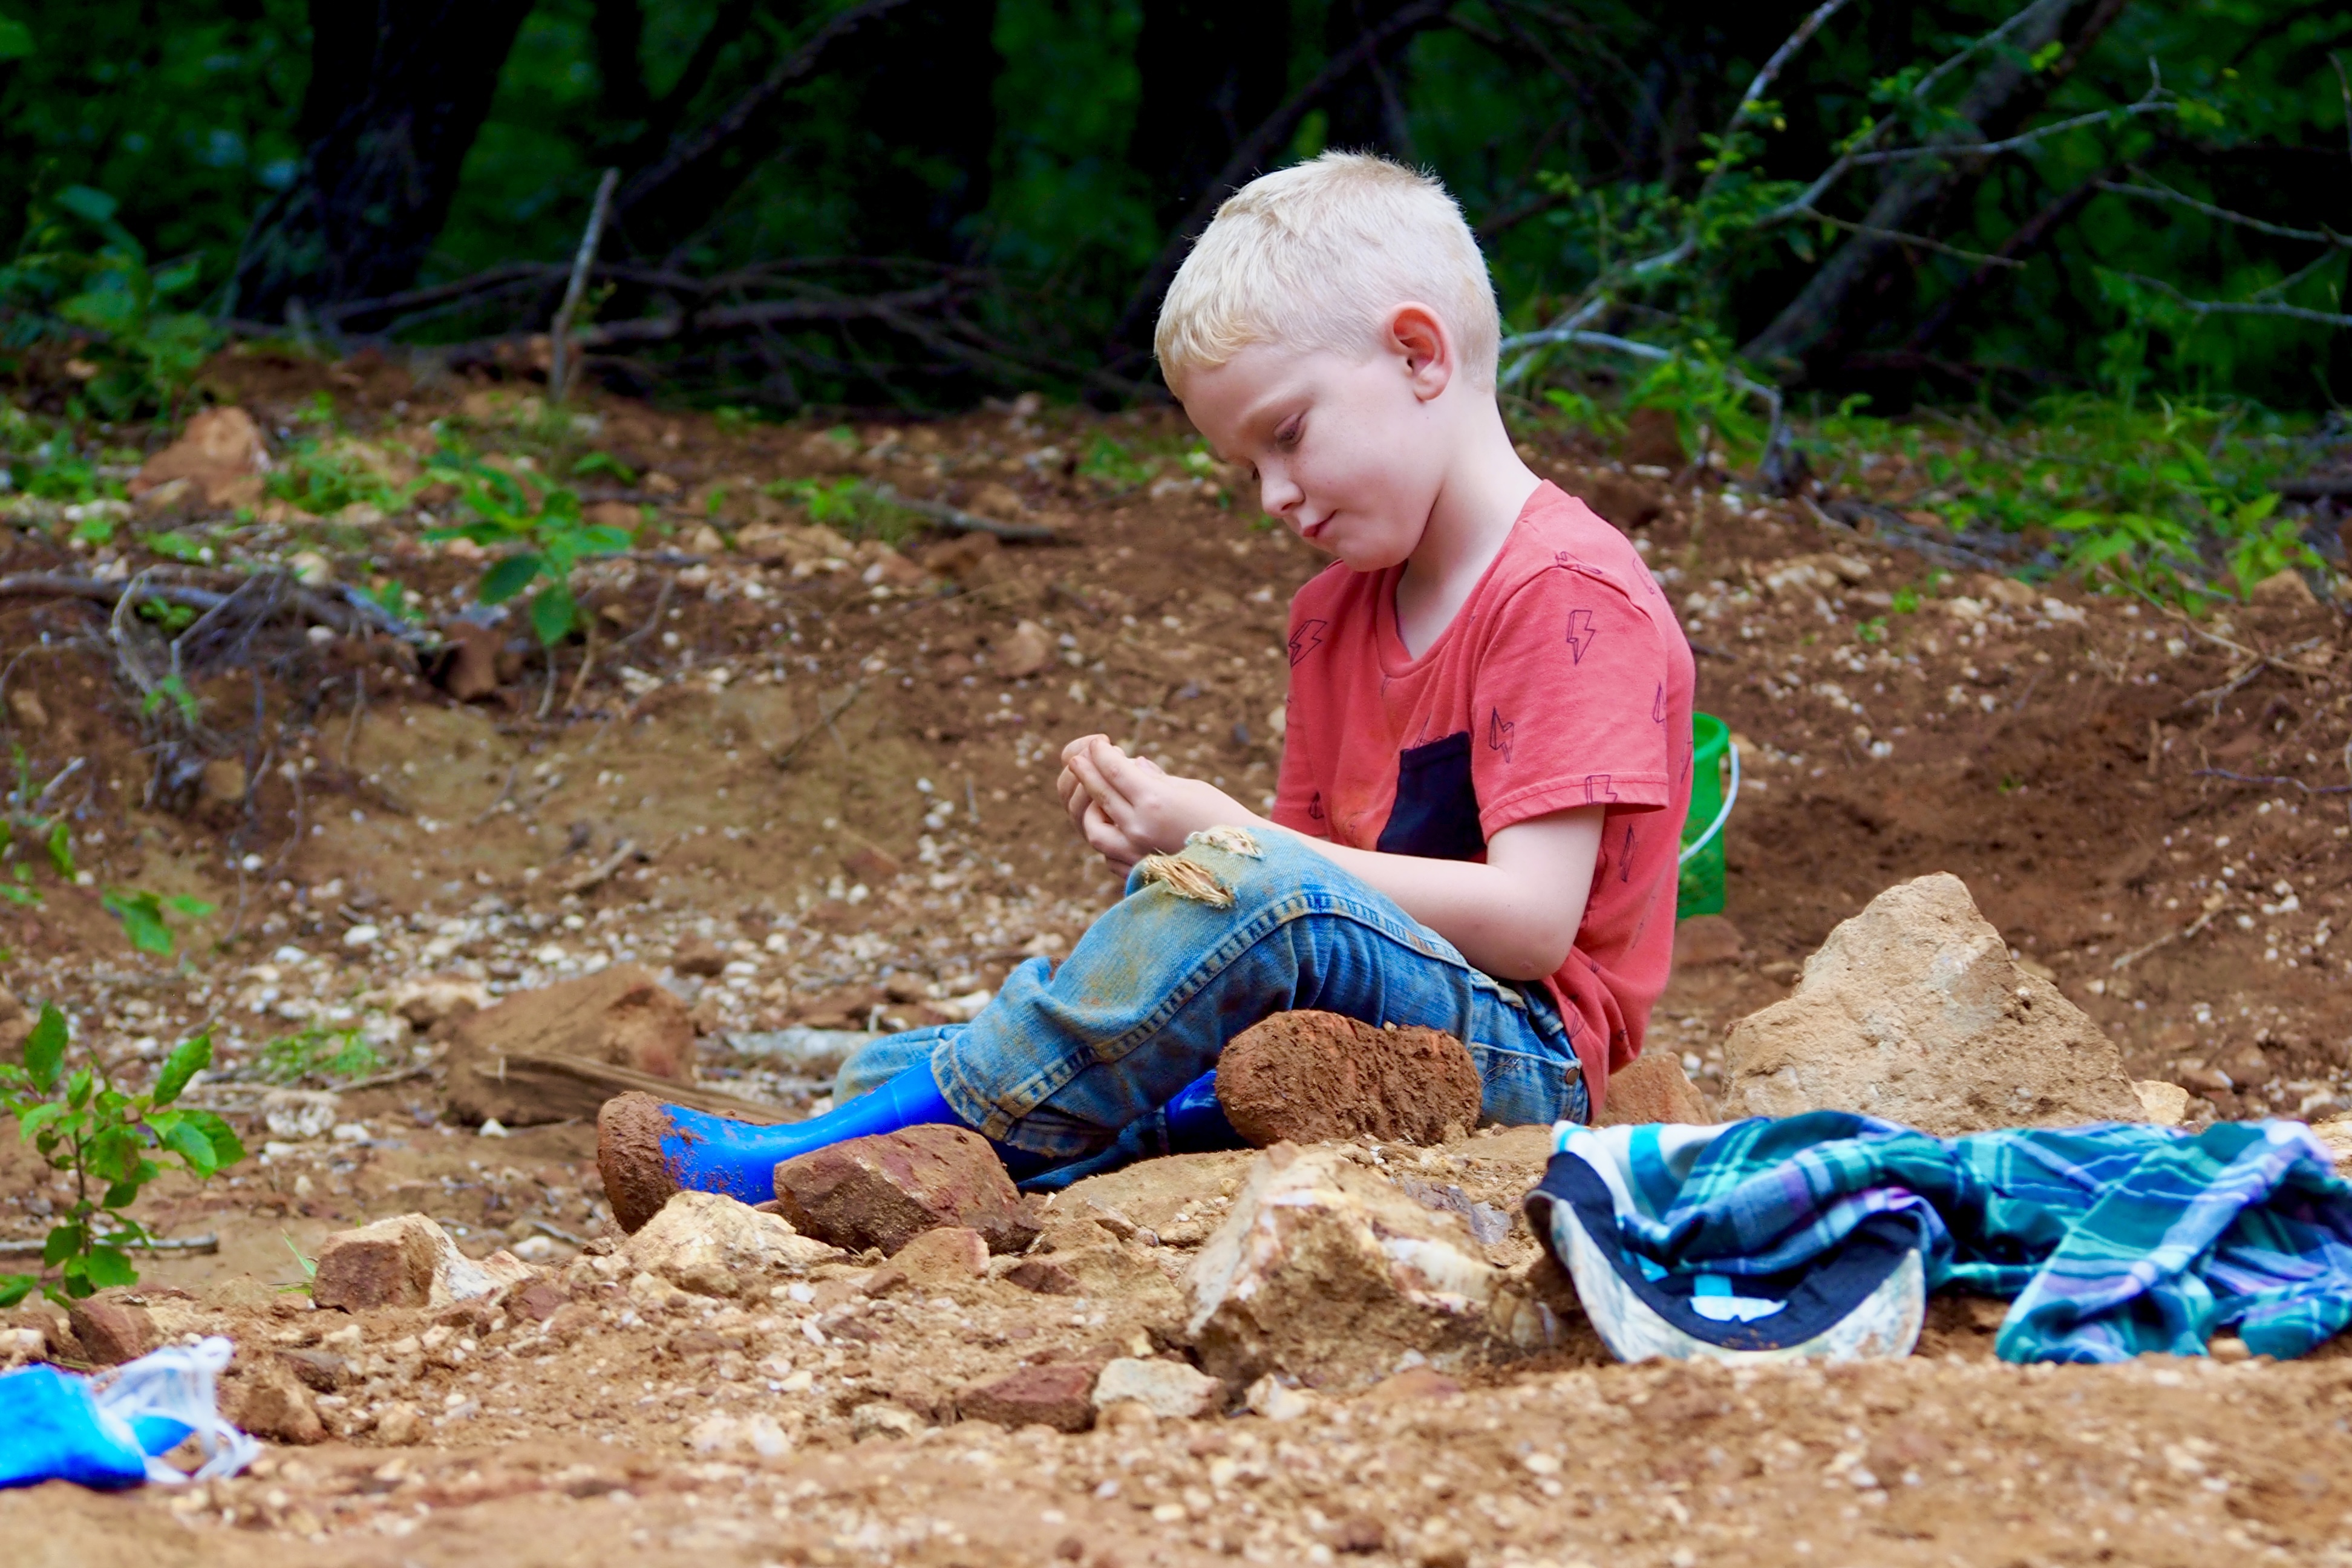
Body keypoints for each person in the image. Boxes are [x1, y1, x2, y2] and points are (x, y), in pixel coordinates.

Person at [596, 151, 1694, 1227]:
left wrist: (1229, 844)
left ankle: (817, 1162)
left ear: (1418, 354)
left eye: (1288, 435)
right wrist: (1192, 860)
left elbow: (1530, 925)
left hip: (1527, 1051)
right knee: (910, 1060)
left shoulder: (1565, 591)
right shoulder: (1332, 615)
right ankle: (1085, 1124)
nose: (1273, 496)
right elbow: (1308, 913)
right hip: (1355, 1028)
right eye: (1248, 468)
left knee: (1242, 895)